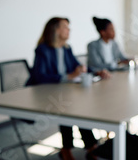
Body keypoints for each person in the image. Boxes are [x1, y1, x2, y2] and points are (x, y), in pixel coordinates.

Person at [26, 17, 98, 160]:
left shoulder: (66, 48)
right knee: (70, 107)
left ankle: (76, 147)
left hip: (63, 92)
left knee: (74, 106)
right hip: (43, 94)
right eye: (65, 27)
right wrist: (68, 76)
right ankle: (89, 147)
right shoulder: (43, 50)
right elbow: (40, 76)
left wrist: (94, 71)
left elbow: (76, 66)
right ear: (56, 30)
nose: (69, 30)